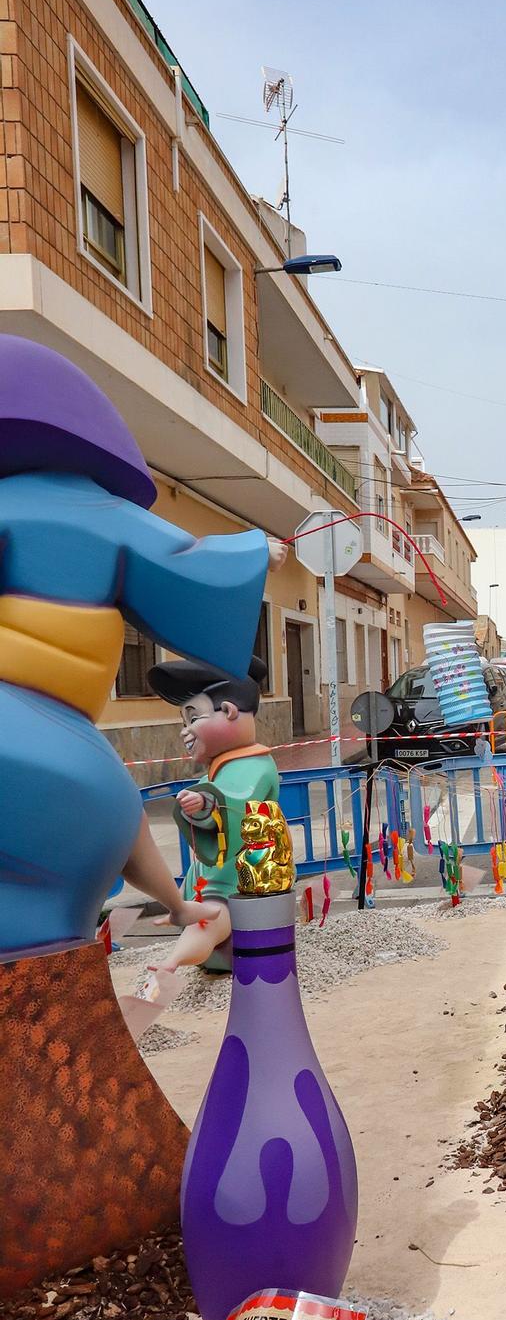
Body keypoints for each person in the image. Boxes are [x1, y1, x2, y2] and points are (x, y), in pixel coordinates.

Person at [0, 334, 276, 959]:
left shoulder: (68, 511)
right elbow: (191, 568)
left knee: (98, 801)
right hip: (47, 745)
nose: (188, 727)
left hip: (48, 743)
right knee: (100, 800)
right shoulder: (98, 513)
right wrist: (257, 551)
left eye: (194, 713)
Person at [141, 653, 281, 990]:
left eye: (192, 718)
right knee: (204, 906)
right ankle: (180, 933)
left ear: (229, 711)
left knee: (212, 915)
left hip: (242, 872)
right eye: (184, 721)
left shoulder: (255, 765)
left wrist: (205, 800)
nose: (185, 732)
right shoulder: (226, 762)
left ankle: (172, 961)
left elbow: (236, 798)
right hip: (222, 868)